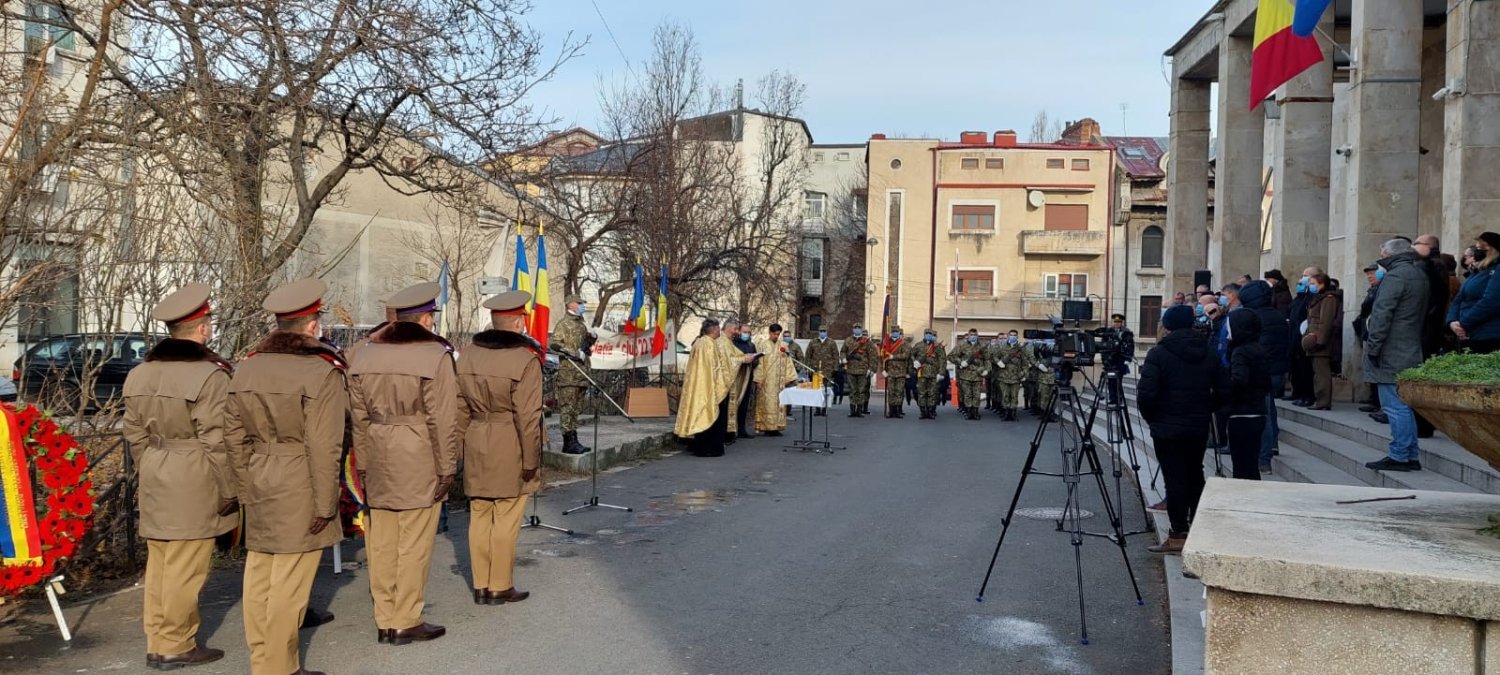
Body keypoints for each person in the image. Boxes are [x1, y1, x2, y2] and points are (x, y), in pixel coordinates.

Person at [226, 278, 347, 675]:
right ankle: (279, 667)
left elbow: (233, 435)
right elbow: (324, 444)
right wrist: (326, 503)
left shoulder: (247, 367)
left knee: (260, 573)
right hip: (300, 477)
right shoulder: (320, 371)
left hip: (260, 472)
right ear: (312, 325)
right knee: (290, 581)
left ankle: (264, 661)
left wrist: (245, 486)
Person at [123, 283, 235, 669]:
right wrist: (229, 489)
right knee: (187, 566)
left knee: (162, 563)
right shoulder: (210, 375)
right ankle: (176, 643)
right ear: (202, 328)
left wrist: (150, 464)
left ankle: (159, 640)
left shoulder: (139, 373)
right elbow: (216, 440)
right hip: (194, 473)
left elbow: (133, 433)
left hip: (156, 468)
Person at [347, 282, 458, 645]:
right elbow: (442, 419)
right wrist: (448, 467)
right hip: (418, 452)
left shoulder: (361, 355)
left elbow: (357, 419)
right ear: (425, 318)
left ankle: (385, 616)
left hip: (377, 449)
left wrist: (362, 462)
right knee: (414, 540)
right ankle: (405, 618)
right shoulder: (434, 356)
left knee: (380, 540)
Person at [456, 290, 542, 607]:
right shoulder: (525, 359)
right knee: (506, 516)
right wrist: (531, 460)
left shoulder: (467, 355)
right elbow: (528, 417)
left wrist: (457, 452)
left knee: (479, 514)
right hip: (509, 439)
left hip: (476, 436)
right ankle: (499, 585)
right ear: (519, 322)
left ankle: (480, 584)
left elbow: (458, 408)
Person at [1137, 305, 1227, 554]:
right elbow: (1224, 389)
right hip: (1197, 425)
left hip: (1167, 427)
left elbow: (1146, 394)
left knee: (1174, 478)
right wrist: (1206, 409)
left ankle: (1177, 534)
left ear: (1167, 325)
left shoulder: (1159, 353)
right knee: (1195, 475)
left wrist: (1153, 419)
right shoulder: (1208, 352)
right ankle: (1198, 528)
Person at [1362, 239, 1430, 472]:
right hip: (1409, 345)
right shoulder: (1417, 274)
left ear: (1390, 254)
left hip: (1392, 349)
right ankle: (1409, 453)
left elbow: (1382, 315)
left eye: (1382, 251)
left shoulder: (1396, 276)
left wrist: (1373, 347)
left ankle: (1400, 455)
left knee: (1394, 405)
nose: (1380, 255)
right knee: (1402, 405)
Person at [1235, 280, 1288, 474]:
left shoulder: (1253, 318)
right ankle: (1273, 444)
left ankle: (1263, 459)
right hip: (1278, 371)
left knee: (1263, 413)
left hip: (1261, 372)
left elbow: (1257, 349)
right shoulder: (1277, 315)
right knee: (1270, 408)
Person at [675, 320, 737, 457]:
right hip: (708, 387)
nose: (719, 331)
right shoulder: (708, 344)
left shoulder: (699, 342)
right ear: (714, 329)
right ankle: (709, 448)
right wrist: (723, 382)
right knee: (710, 417)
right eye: (718, 328)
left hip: (699, 385)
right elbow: (714, 368)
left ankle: (699, 446)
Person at [1223, 308, 1270, 480]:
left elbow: (1239, 381)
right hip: (1257, 411)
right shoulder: (1258, 348)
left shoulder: (1240, 352)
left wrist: (1222, 389)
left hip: (1242, 414)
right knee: (1250, 466)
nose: (1228, 333)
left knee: (1241, 467)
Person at [552, 295, 594, 455]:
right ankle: (568, 442)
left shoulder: (582, 324)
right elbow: (555, 344)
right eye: (580, 303)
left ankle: (574, 440)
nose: (583, 305)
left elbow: (583, 346)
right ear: (571, 304)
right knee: (568, 408)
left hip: (582, 373)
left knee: (576, 409)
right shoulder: (564, 324)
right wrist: (575, 353)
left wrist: (590, 342)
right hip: (569, 374)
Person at [1447, 231, 1500, 354]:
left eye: (1482, 248)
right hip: (1470, 332)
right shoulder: (1477, 272)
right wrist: (1452, 322)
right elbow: (1459, 299)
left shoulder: (1496, 269)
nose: (1478, 252)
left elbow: (1491, 301)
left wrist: (1463, 323)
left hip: (1488, 334)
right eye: (1477, 248)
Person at [1299, 274, 1338, 411]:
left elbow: (1326, 323)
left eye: (1313, 283)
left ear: (1321, 284)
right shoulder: (1317, 298)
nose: (1310, 285)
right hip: (1313, 340)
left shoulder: (1329, 299)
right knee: (1317, 373)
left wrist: (1320, 341)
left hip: (1320, 342)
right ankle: (1320, 400)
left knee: (1322, 374)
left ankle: (1323, 402)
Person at [1286, 266, 1322, 405]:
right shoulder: (1300, 297)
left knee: (1306, 369)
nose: (1302, 278)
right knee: (1296, 368)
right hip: (1294, 337)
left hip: (1306, 337)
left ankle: (1308, 396)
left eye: (1305, 275)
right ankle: (1298, 393)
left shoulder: (1314, 296)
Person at [752, 324, 798, 436]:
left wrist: (789, 378)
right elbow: (759, 364)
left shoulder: (783, 346)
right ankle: (767, 428)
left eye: (778, 334)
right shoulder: (763, 345)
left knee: (779, 404)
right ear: (770, 333)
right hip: (767, 382)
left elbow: (788, 362)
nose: (776, 336)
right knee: (767, 404)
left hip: (780, 382)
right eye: (775, 334)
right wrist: (758, 380)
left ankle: (776, 427)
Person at [1353, 264, 1382, 414]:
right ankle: (1373, 400)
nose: (1369, 276)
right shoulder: (1372, 290)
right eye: (1368, 274)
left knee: (1377, 370)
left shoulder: (1381, 290)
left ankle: (1379, 403)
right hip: (1368, 333)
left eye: (1372, 273)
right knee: (1370, 369)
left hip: (1376, 335)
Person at [840, 324, 880, 417]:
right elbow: (843, 351)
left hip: (863, 371)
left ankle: (859, 410)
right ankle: (852, 410)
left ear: (861, 330)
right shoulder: (848, 340)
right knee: (853, 390)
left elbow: (873, 356)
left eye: (859, 328)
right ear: (853, 329)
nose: (857, 330)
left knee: (861, 390)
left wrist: (871, 369)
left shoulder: (867, 342)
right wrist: (843, 359)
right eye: (855, 328)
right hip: (851, 370)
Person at [948, 329, 986, 420]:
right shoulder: (962, 345)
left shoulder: (982, 346)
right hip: (965, 375)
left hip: (977, 375)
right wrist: (961, 362)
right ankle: (969, 413)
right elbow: (951, 356)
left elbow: (987, 359)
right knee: (967, 395)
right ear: (968, 335)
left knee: (976, 395)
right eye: (971, 334)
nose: (973, 336)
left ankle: (976, 412)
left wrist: (986, 370)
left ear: (977, 335)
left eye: (975, 334)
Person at [993, 330, 1029, 421]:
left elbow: (1025, 363)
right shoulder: (1001, 346)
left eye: (1015, 335)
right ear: (1008, 336)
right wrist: (998, 362)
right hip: (1004, 376)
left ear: (1017, 337)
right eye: (1011, 335)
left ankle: (1013, 414)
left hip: (1016, 377)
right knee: (1005, 396)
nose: (1013, 337)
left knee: (1014, 396)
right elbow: (994, 356)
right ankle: (1006, 414)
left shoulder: (1022, 348)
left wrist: (1024, 374)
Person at [913, 328, 947, 419]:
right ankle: (923, 412)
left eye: (930, 334)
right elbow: (911, 355)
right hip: (922, 373)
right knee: (922, 393)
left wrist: (941, 373)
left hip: (934, 374)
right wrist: (915, 362)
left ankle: (931, 411)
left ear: (933, 336)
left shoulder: (938, 347)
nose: (928, 335)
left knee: (932, 393)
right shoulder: (918, 345)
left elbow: (942, 360)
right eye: (926, 333)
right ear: (924, 334)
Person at [804, 327, 839, 414]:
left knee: (826, 390)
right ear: (818, 332)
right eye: (821, 331)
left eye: (824, 331)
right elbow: (808, 355)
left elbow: (836, 356)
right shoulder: (813, 342)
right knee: (816, 390)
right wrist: (807, 367)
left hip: (827, 371)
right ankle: (817, 408)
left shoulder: (832, 343)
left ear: (827, 332)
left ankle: (824, 408)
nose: (822, 333)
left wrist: (835, 368)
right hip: (815, 370)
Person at [882, 326, 914, 418]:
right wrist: (883, 370)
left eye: (896, 332)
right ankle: (891, 411)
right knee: (891, 392)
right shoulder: (887, 343)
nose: (894, 333)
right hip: (890, 373)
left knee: (899, 392)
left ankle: (898, 411)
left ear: (899, 333)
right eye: (893, 332)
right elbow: (882, 357)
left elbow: (906, 355)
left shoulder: (904, 344)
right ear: (891, 333)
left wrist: (893, 357)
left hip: (901, 373)